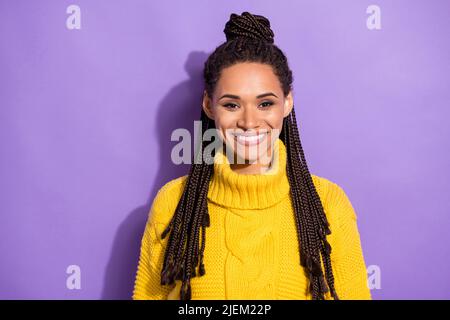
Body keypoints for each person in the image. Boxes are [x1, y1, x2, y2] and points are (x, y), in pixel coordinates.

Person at [132, 11, 371, 300]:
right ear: (209, 106)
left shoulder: (329, 205)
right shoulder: (174, 204)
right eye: (231, 105)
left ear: (287, 103)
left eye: (265, 103)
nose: (248, 121)